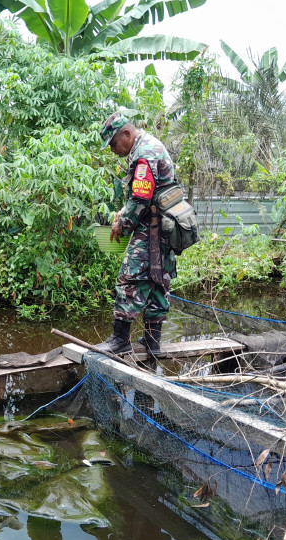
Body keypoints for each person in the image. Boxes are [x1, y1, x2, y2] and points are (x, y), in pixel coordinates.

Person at [94, 111, 178, 357]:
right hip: (163, 227)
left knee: (129, 278)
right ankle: (153, 342)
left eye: (112, 143)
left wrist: (123, 224)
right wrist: (124, 210)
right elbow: (145, 193)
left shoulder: (143, 154)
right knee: (157, 280)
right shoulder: (149, 147)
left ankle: (120, 340)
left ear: (127, 134)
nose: (112, 150)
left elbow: (141, 197)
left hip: (152, 229)